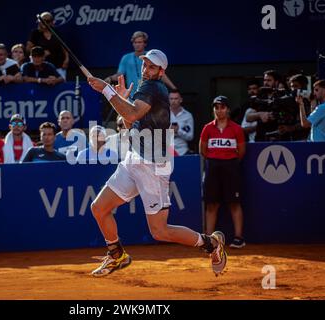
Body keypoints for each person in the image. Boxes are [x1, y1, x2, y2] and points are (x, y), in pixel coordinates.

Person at [87, 49, 227, 277]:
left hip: (154, 164)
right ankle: (116, 255)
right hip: (133, 159)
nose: (145, 69)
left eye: (152, 67)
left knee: (160, 231)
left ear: (161, 72)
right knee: (99, 208)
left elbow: (130, 116)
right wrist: (122, 99)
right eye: (144, 65)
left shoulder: (154, 88)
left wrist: (107, 90)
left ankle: (211, 244)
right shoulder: (147, 89)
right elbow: (129, 123)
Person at [199, 96, 246, 249]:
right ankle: (209, 241)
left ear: (228, 109)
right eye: (217, 107)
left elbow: (241, 151)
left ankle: (239, 238)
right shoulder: (207, 128)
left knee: (234, 203)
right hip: (212, 167)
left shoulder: (237, 129)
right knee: (211, 204)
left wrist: (227, 160)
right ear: (214, 110)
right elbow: (203, 150)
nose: (219, 110)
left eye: (223, 107)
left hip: (231, 167)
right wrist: (216, 159)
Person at [104, 31, 177, 96]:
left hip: (150, 94)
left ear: (145, 43)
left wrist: (173, 88)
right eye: (135, 42)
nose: (137, 44)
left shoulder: (151, 57)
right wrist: (110, 78)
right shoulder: (126, 58)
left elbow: (161, 73)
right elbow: (120, 75)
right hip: (132, 96)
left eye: (139, 42)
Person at [26, 12, 69, 79]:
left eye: (47, 21)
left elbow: (64, 47)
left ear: (52, 22)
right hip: (42, 67)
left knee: (60, 84)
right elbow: (28, 49)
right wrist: (41, 53)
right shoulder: (35, 33)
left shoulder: (56, 32)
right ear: (39, 22)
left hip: (58, 65)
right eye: (42, 20)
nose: (44, 23)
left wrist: (66, 60)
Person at [169, 89, 194, 155]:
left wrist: (178, 131)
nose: (173, 101)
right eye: (171, 99)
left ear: (181, 100)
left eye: (176, 98)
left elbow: (190, 136)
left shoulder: (187, 115)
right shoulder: (162, 114)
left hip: (182, 151)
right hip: (166, 151)